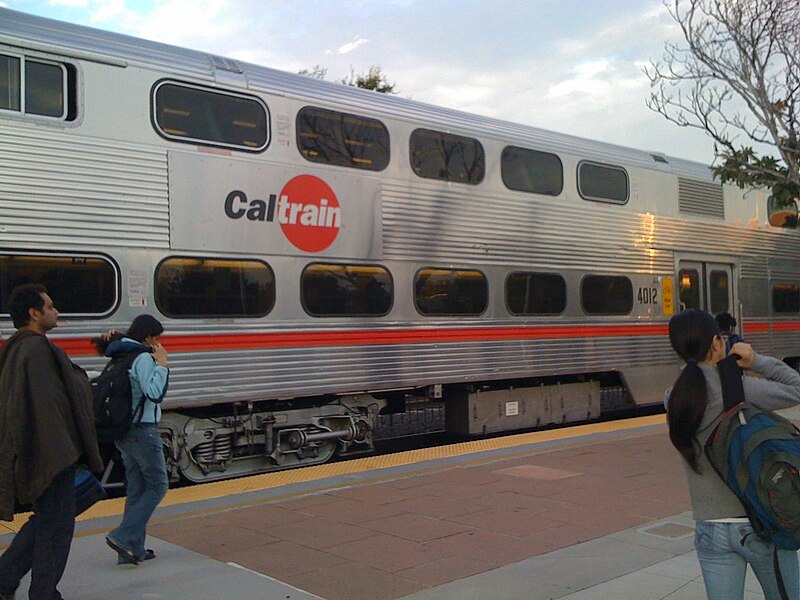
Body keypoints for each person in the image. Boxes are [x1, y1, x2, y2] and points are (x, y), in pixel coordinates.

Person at [666, 309, 800, 600]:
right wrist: (755, 361)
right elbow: (797, 387)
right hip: (758, 523)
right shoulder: (738, 388)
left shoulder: (674, 397)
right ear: (716, 344)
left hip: (709, 529)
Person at [0, 284, 103, 600]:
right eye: (51, 306)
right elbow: (50, 408)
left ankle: (3, 580)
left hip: (41, 455)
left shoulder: (18, 349)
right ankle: (44, 593)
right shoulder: (37, 351)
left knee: (46, 522)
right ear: (34, 313)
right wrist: (63, 456)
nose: (56, 311)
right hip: (51, 458)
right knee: (56, 530)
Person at [91, 315, 169, 566]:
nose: (157, 342)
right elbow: (154, 393)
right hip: (142, 430)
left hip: (123, 432)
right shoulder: (143, 358)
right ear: (147, 337)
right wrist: (163, 365)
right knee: (158, 486)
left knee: (136, 488)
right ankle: (123, 536)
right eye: (156, 337)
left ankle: (133, 549)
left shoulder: (120, 354)